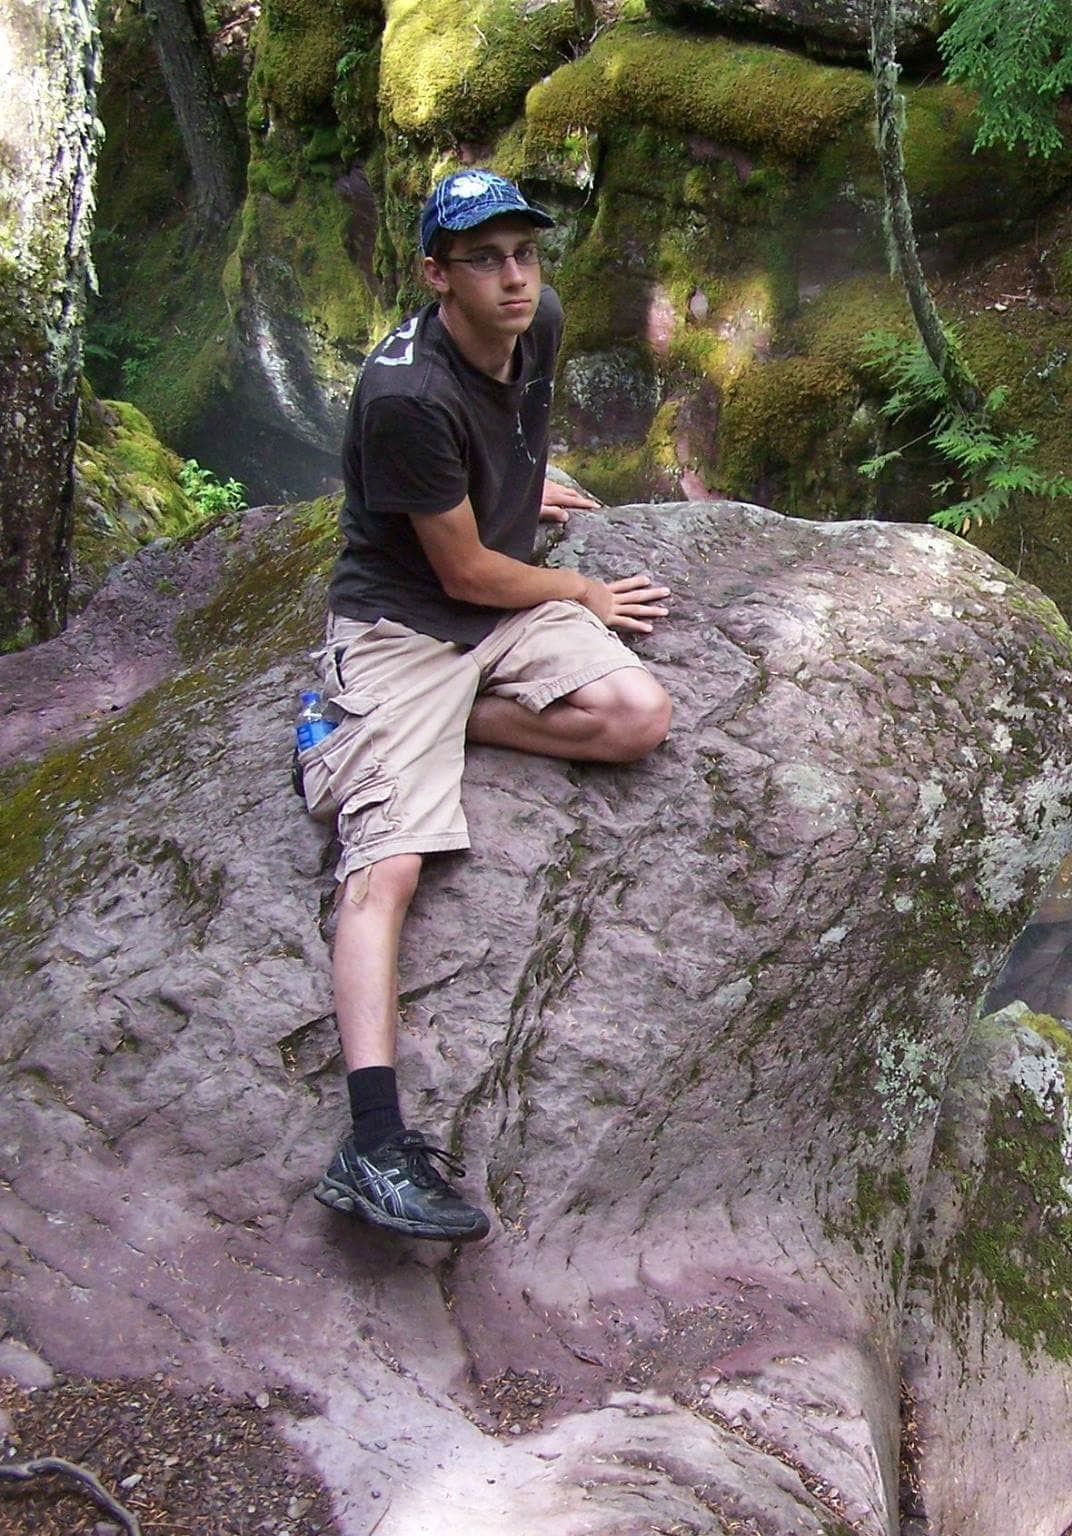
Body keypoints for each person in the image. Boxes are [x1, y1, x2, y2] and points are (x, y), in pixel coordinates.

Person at [300, 169, 674, 1242]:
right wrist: (586, 589)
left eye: (524, 253)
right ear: (435, 274)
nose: (514, 278)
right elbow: (460, 575)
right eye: (483, 259)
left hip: (494, 591)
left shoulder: (536, 319)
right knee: (389, 867)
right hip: (406, 624)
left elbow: (511, 423)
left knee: (634, 717)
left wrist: (518, 482)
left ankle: (412, 732)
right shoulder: (403, 397)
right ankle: (371, 1146)